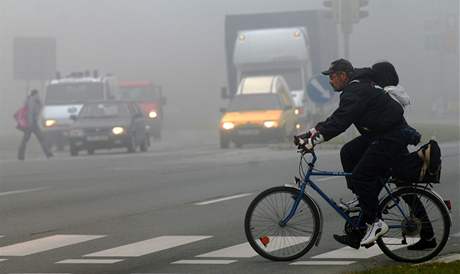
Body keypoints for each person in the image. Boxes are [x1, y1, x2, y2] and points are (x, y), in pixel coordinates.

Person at [297, 59, 407, 249]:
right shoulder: (356, 87)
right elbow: (338, 116)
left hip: (390, 137)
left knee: (363, 176)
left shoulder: (355, 90)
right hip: (382, 134)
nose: (330, 81)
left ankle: (376, 223)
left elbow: (341, 122)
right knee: (348, 152)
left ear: (343, 76)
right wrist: (312, 132)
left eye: (332, 77)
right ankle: (361, 200)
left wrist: (314, 141)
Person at [17, 89, 53, 160]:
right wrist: (30, 123)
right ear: (35, 94)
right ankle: (48, 153)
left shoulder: (30, 99)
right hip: (31, 123)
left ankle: (20, 155)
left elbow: (38, 108)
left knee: (26, 140)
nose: (38, 95)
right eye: (37, 94)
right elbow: (31, 112)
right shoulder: (33, 100)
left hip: (31, 123)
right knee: (41, 138)